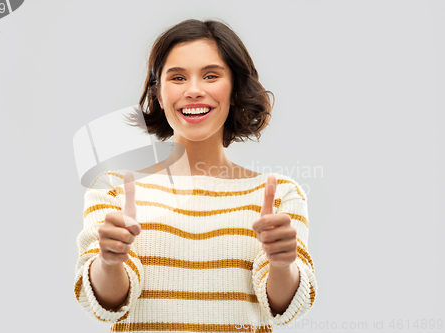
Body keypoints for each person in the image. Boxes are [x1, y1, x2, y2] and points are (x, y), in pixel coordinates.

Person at [74, 18, 317, 332]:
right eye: (177, 77)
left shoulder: (279, 193)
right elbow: (105, 306)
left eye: (211, 75)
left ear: (235, 90)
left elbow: (285, 310)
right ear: (159, 95)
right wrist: (110, 260)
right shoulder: (114, 189)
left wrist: (283, 264)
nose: (193, 90)